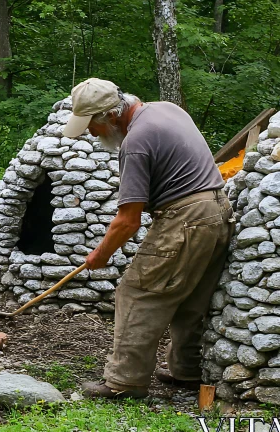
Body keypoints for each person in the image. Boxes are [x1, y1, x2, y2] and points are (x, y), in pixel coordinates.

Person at [61, 78, 234, 398]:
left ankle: (123, 382)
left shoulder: (136, 142)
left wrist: (100, 255)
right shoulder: (167, 110)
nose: (90, 133)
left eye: (90, 126)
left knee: (136, 291)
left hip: (186, 219)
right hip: (218, 212)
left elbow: (127, 221)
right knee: (191, 296)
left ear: (110, 117)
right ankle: (186, 370)